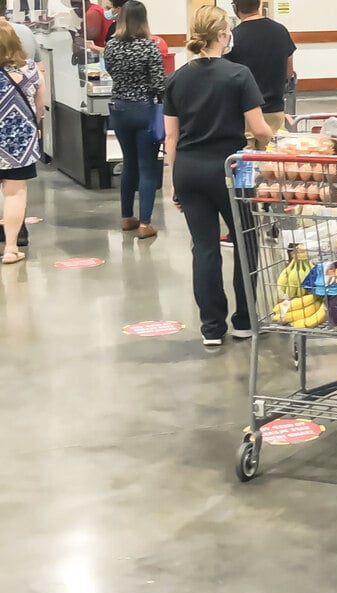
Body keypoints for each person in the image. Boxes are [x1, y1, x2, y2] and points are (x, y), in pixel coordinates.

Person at [164, 5, 272, 346]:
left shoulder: (177, 78)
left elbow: (171, 137)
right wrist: (274, 143)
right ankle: (244, 320)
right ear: (224, 35)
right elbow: (259, 128)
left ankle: (211, 327)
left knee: (204, 247)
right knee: (245, 241)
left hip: (189, 169)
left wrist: (174, 184)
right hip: (233, 169)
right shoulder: (238, 74)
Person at [102, 0, 164, 239]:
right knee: (147, 167)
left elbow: (111, 71)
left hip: (119, 110)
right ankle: (145, 223)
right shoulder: (149, 47)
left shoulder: (111, 46)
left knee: (129, 163)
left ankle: (127, 217)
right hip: (144, 110)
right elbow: (159, 84)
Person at [225, 0, 296, 150]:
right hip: (275, 110)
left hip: (244, 115)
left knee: (245, 166)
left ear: (235, 8)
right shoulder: (281, 31)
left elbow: (226, 77)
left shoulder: (233, 37)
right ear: (259, 5)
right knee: (274, 163)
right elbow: (289, 72)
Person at [0, 21, 43, 264]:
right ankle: (11, 248)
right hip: (19, 145)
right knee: (15, 194)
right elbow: (39, 109)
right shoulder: (29, 70)